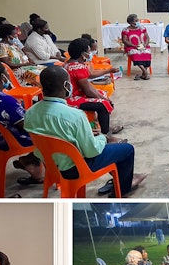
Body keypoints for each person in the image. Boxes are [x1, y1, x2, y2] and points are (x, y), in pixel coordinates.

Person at [23, 66, 145, 197]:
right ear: (66, 85)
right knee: (125, 148)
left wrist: (86, 134)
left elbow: (54, 135)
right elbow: (91, 151)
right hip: (77, 169)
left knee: (107, 143)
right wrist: (103, 138)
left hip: (52, 167)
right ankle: (123, 188)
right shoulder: (75, 115)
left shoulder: (30, 112)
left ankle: (120, 177)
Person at [0, 60, 44, 184]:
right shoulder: (6, 100)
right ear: (2, 77)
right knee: (50, 133)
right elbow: (26, 125)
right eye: (7, 72)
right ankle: (36, 166)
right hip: (14, 139)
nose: (8, 75)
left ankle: (30, 160)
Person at [63, 38, 123, 139]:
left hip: (74, 94)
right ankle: (105, 135)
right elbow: (88, 90)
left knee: (102, 94)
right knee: (103, 105)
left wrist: (102, 96)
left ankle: (103, 125)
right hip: (71, 99)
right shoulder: (78, 67)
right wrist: (105, 100)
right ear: (83, 54)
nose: (90, 54)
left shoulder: (68, 63)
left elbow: (87, 85)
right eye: (89, 51)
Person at [121, 14, 151, 80]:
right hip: (131, 47)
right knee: (135, 53)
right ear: (131, 23)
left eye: (138, 20)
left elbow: (147, 37)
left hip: (142, 45)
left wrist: (145, 44)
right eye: (136, 20)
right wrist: (134, 46)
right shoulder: (125, 30)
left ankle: (143, 74)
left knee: (147, 52)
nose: (138, 21)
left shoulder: (142, 28)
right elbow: (124, 40)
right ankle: (145, 72)